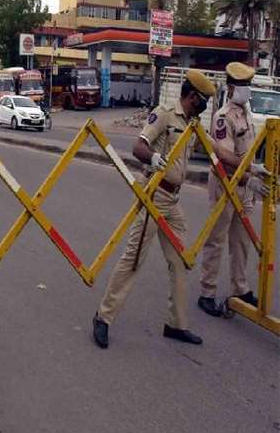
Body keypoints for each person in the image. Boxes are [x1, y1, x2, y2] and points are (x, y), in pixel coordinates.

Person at [92, 69, 216, 349]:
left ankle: (176, 324)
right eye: (204, 99)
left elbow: (213, 150)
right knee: (133, 259)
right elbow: (139, 146)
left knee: (181, 261)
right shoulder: (164, 114)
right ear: (192, 96)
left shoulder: (193, 124)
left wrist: (248, 172)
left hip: (173, 202)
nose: (205, 104)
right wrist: (154, 157)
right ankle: (103, 318)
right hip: (153, 196)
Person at [197, 62, 271, 316]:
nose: (247, 90)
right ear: (230, 88)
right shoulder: (223, 116)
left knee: (241, 241)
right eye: (242, 86)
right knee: (216, 240)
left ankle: (240, 288)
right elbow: (224, 154)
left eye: (249, 85)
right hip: (225, 185)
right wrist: (248, 173)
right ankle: (207, 292)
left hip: (245, 185)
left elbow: (247, 150)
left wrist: (254, 169)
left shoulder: (245, 112)